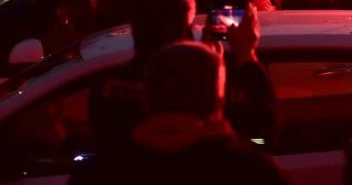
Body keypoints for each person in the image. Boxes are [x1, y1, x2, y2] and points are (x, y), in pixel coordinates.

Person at [89, 0, 277, 151]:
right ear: (180, 35)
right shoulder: (196, 103)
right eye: (188, 27)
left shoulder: (106, 88)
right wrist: (246, 58)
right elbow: (260, 136)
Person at [72, 42, 287, 185]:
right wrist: (247, 59)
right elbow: (262, 135)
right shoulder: (252, 171)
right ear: (219, 99)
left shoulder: (97, 173)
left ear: (146, 98)